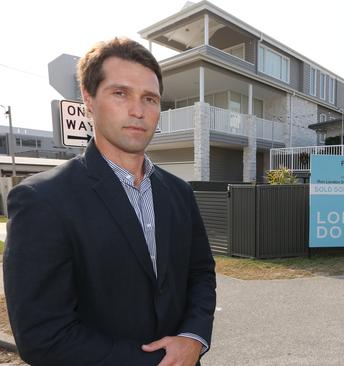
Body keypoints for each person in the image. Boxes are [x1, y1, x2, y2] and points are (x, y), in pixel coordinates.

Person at [3, 38, 216, 365]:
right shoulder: (42, 200)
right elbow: (42, 335)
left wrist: (193, 338)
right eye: (120, 94)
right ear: (88, 100)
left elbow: (200, 273)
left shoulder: (179, 193)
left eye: (150, 98)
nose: (138, 110)